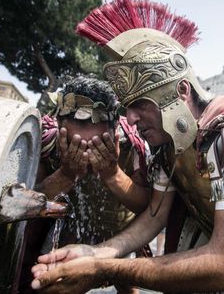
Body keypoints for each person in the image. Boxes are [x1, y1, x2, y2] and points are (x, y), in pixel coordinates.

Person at [31, 0, 224, 293]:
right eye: (127, 107)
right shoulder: (169, 147)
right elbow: (153, 217)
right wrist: (94, 253)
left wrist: (102, 269)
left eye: (140, 104)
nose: (132, 118)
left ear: (181, 91)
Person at [22, 75, 150, 293]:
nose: (87, 154)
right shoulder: (48, 144)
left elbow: (146, 206)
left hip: (120, 236)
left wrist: (112, 173)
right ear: (59, 124)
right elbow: (27, 205)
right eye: (75, 144)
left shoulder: (133, 147)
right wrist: (66, 174)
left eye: (98, 144)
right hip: (66, 234)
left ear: (114, 130)